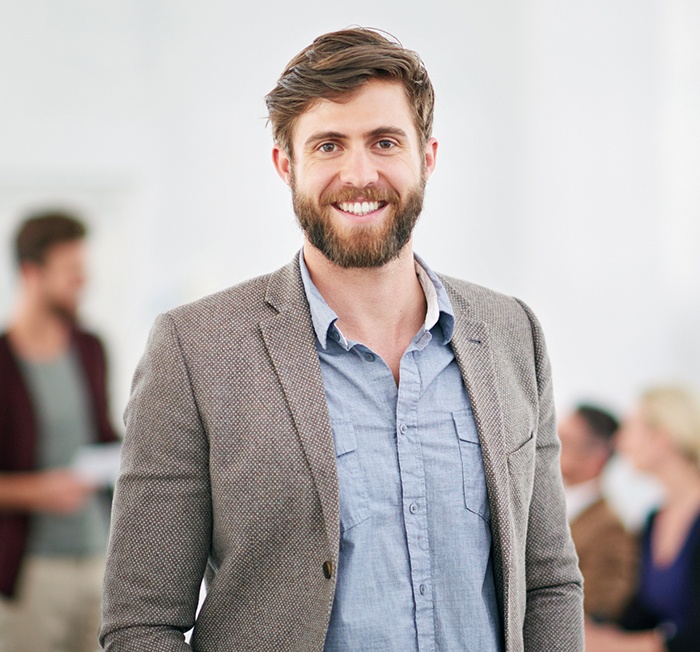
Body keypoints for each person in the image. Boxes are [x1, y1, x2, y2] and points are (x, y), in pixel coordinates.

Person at [100, 28, 583, 651]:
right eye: (329, 145)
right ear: (287, 165)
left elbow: (549, 583)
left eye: (385, 142)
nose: (360, 174)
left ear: (426, 157)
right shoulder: (196, 349)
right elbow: (143, 622)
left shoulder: (513, 332)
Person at [0, 211, 119, 651]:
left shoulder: (90, 348)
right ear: (32, 273)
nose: (82, 283)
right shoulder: (3, 361)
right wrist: (40, 491)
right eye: (71, 274)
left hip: (97, 560)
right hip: (30, 572)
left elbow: (104, 434)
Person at [585, 386, 700, 652]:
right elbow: (642, 613)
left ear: (663, 438)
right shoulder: (654, 520)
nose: (620, 442)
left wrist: (622, 646)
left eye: (630, 428)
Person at [559, 404, 638, 621]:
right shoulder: (537, 499)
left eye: (563, 441)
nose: (549, 446)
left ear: (596, 457)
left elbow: (597, 608)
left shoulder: (611, 530)